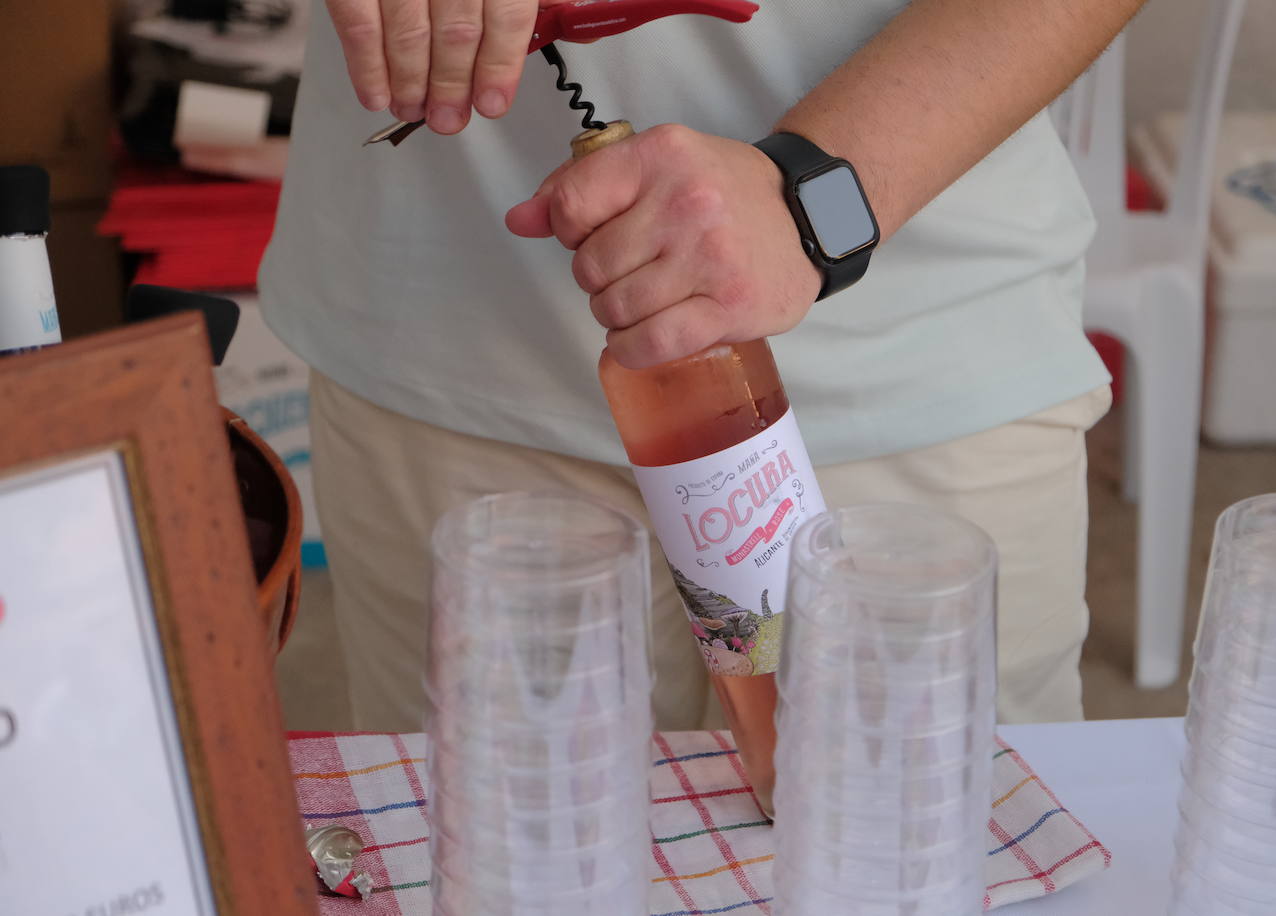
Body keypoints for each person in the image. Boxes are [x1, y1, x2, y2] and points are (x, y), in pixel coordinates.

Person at [260, 0, 1142, 733]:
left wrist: (821, 194)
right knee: (486, 865)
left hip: (918, 359)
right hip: (449, 356)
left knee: (913, 859)